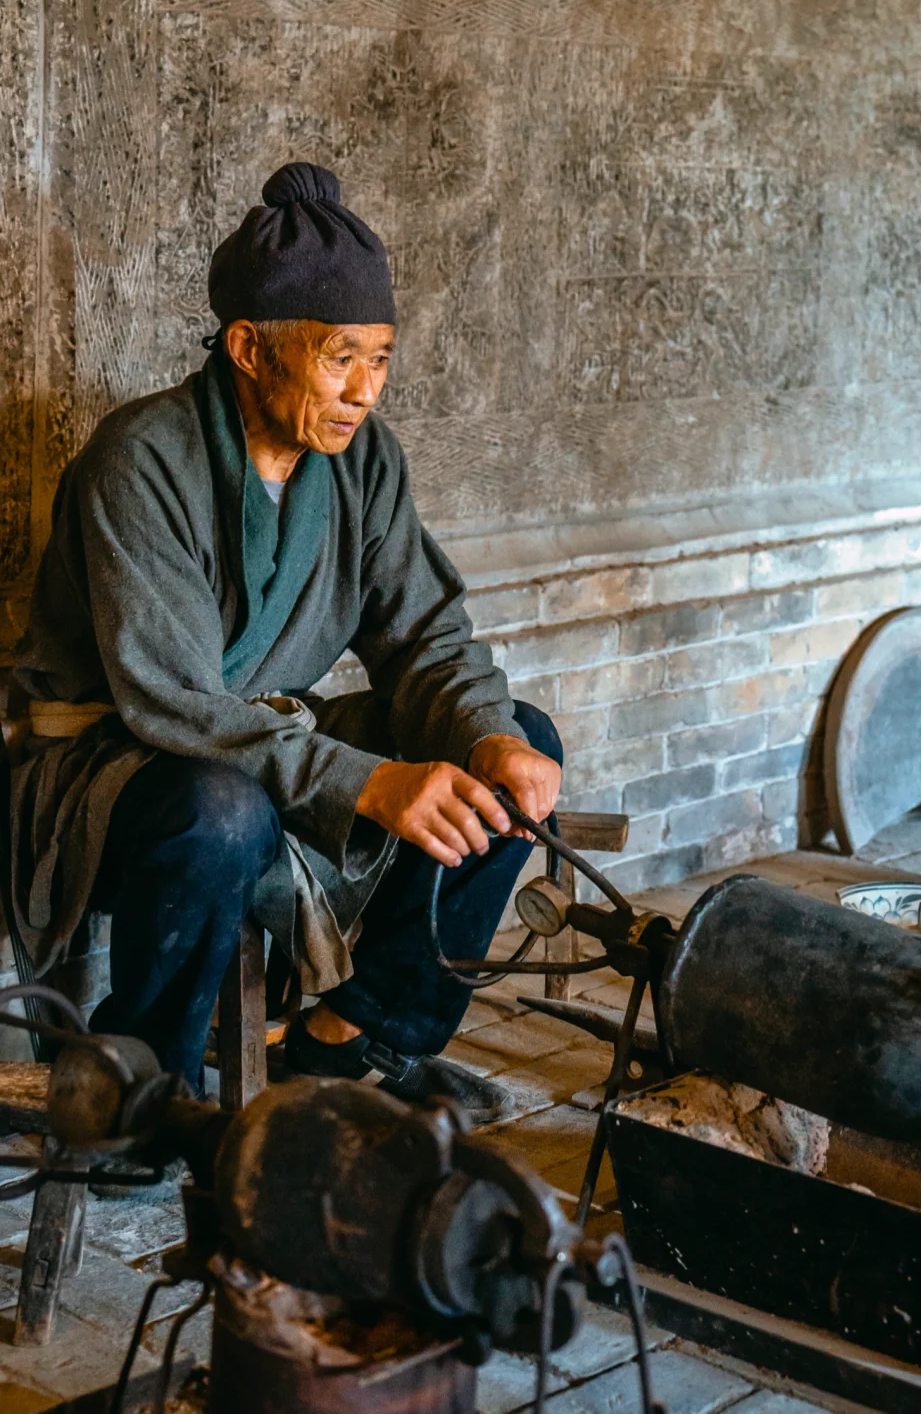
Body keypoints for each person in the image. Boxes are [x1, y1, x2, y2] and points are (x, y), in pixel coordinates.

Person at [10, 161, 562, 1124]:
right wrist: (364, 782)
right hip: (115, 760)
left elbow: (425, 635)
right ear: (251, 349)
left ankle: (358, 1037)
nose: (364, 391)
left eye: (381, 358)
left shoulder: (363, 463)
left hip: (258, 740)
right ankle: (145, 1090)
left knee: (523, 742)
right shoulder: (139, 461)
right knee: (220, 812)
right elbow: (174, 703)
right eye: (341, 356)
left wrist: (483, 734)